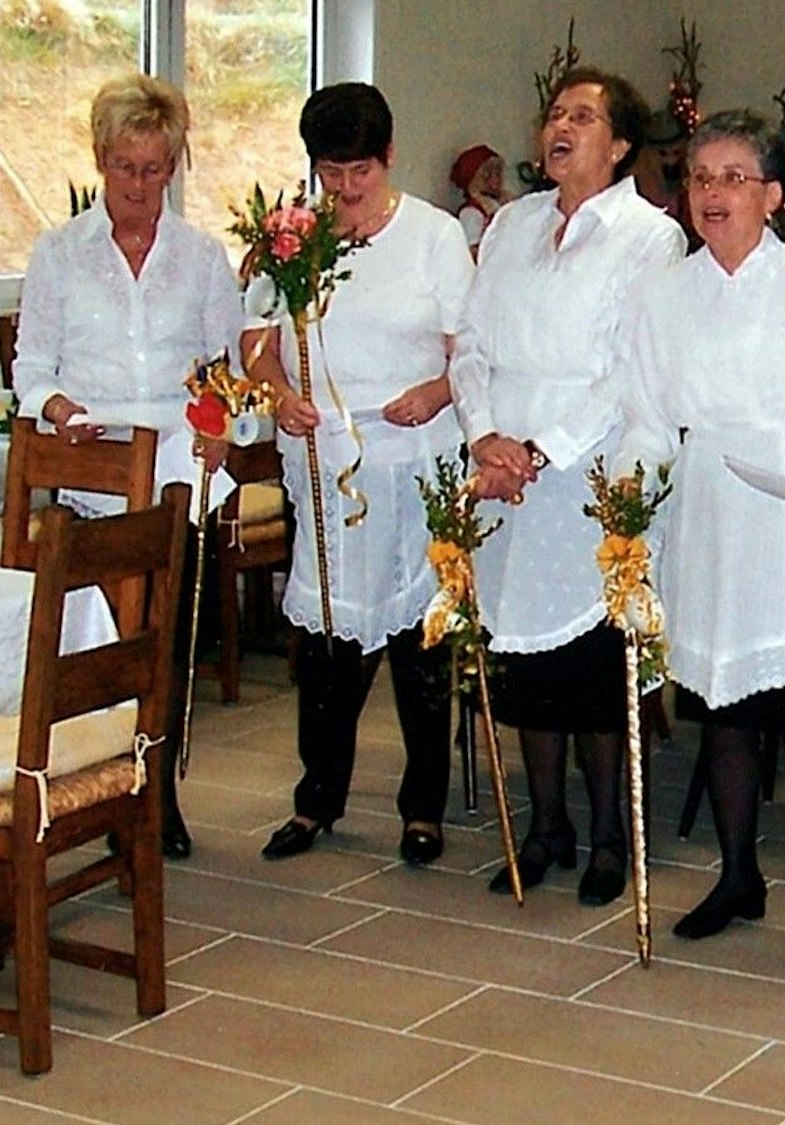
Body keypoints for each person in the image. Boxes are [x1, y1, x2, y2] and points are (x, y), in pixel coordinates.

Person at [618, 110, 785, 955]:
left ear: (774, 196)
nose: (713, 195)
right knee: (722, 701)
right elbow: (645, 417)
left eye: (733, 178)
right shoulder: (661, 292)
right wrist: (625, 514)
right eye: (700, 179)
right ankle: (737, 873)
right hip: (706, 502)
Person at [451, 67, 686, 906]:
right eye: (555, 112)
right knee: (524, 665)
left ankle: (611, 836)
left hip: (586, 474)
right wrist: (486, 436)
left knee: (591, 671)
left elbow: (628, 369)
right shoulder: (512, 224)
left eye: (583, 117)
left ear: (619, 145)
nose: (561, 127)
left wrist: (537, 451)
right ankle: (545, 822)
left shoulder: (651, 238)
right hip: (502, 476)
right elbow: (471, 344)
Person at [12, 72, 239, 861]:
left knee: (164, 640)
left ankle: (155, 795)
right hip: (95, 467)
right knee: (98, 643)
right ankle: (98, 787)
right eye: (125, 167)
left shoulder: (203, 255)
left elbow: (223, 365)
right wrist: (55, 407)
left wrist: (222, 421)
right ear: (100, 160)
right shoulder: (60, 253)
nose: (139, 185)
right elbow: (31, 366)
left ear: (173, 166)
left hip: (176, 466)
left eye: (154, 169)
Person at [247, 83, 471, 868]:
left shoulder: (436, 238)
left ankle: (422, 806)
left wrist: (436, 393)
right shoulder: (292, 236)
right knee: (328, 637)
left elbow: (468, 351)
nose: (343, 189)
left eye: (359, 173)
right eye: (330, 173)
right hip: (325, 460)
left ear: (388, 158)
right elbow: (255, 338)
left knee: (417, 637)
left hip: (412, 456)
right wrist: (279, 395)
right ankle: (318, 798)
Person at [449, 144, 510, 258]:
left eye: (498, 174)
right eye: (487, 175)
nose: (495, 180)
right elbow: (471, 252)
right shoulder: (471, 211)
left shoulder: (504, 205)